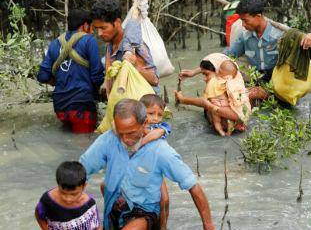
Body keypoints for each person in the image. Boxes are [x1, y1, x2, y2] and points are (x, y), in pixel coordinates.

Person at [80, 99, 215, 230]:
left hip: (145, 213)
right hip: (113, 212)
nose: (126, 139)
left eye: (131, 133)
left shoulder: (160, 151)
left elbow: (193, 186)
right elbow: (81, 170)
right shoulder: (109, 139)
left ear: (144, 123)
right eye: (121, 134)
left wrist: (208, 225)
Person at [37, 9, 104, 134]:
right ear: (85, 25)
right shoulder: (89, 40)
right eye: (91, 27)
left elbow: (42, 76)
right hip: (82, 107)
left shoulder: (54, 43)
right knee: (83, 146)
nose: (92, 31)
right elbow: (97, 76)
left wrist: (59, 81)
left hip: (60, 107)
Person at [220, 0, 311, 83]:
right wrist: (212, 61)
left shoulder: (280, 34)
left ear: (258, 16)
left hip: (278, 80)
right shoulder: (245, 35)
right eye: (242, 21)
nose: (243, 25)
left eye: (246, 21)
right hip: (256, 79)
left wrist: (310, 36)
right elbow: (229, 54)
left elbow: (301, 41)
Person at [90, 0, 159, 94]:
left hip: (144, 104)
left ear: (117, 22)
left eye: (103, 28)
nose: (99, 33)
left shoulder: (134, 46)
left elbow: (154, 80)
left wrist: (133, 66)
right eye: (96, 28)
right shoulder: (109, 48)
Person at [176, 53, 252, 134]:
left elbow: (204, 102)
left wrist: (183, 99)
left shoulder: (228, 86)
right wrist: (193, 72)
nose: (204, 79)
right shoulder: (231, 80)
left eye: (206, 74)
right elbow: (215, 64)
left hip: (233, 119)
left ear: (219, 73)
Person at [35, 161, 102, 230]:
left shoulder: (89, 204)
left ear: (84, 186)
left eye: (74, 194)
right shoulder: (48, 200)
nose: (68, 199)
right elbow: (39, 214)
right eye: (63, 193)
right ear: (58, 185)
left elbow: (97, 226)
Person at [138, 94, 170, 230]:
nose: (155, 118)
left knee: (164, 200)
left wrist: (139, 143)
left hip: (156, 170)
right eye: (151, 113)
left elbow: (155, 134)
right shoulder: (134, 125)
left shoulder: (163, 127)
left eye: (159, 115)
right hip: (137, 170)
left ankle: (162, 227)